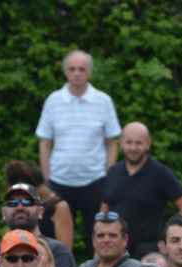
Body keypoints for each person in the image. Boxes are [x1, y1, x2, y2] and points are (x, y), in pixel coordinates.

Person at [36, 50, 122, 250]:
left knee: (100, 236)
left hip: (95, 180)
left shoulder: (103, 101)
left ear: (89, 72)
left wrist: (109, 175)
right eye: (72, 69)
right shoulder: (53, 101)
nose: (76, 73)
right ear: (65, 72)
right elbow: (45, 142)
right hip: (58, 181)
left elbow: (112, 141)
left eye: (81, 69)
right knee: (52, 238)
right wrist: (46, 179)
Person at [96, 121, 182, 258]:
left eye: (138, 143)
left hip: (148, 252)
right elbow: (104, 209)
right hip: (116, 250)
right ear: (121, 143)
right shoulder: (113, 172)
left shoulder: (160, 173)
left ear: (148, 143)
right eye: (129, 142)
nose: (133, 148)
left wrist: (169, 237)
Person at [76, 212, 144, 267]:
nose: (106, 240)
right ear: (93, 240)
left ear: (125, 240)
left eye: (112, 235)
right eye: (100, 236)